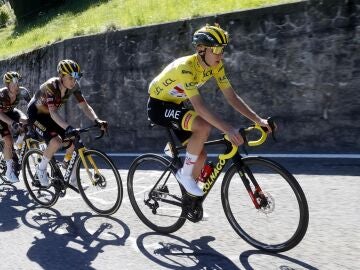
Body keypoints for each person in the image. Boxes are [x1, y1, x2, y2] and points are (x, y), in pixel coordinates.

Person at [147, 23, 273, 197]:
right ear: (201, 49)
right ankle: (183, 174)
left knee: (201, 156)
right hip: (158, 106)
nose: (220, 55)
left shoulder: (216, 66)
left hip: (176, 104)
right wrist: (227, 129)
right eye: (216, 50)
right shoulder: (185, 67)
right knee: (203, 127)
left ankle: (190, 202)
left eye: (222, 50)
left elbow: (232, 97)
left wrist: (258, 120)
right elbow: (199, 106)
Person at [27, 59, 108, 187]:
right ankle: (41, 169)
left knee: (73, 141)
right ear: (61, 76)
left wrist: (96, 120)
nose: (73, 81)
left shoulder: (74, 87)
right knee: (56, 141)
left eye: (75, 78)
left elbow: (85, 106)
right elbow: (54, 113)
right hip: (36, 116)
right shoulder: (51, 86)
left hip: (49, 115)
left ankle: (71, 174)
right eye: (70, 78)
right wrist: (68, 127)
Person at [0, 71, 31, 183]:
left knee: (27, 121)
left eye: (18, 82)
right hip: (1, 115)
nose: (17, 85)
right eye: (14, 83)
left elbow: (31, 106)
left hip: (10, 112)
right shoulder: (2, 95)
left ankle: (18, 144)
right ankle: (9, 171)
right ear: (7, 85)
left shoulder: (23, 92)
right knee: (8, 140)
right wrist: (12, 123)